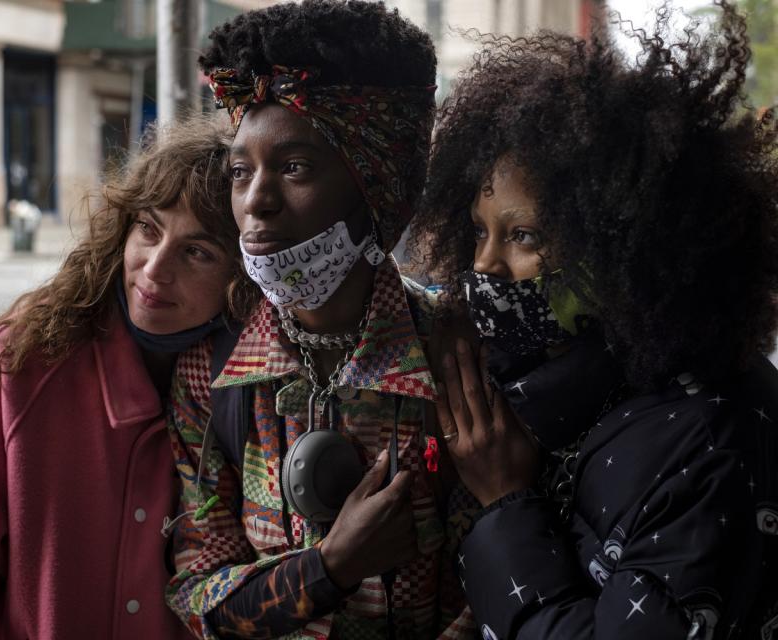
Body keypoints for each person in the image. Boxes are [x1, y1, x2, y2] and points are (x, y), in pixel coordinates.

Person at [411, 1, 778, 638]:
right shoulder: (569, 386)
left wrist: (505, 504)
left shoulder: (709, 443)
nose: (484, 264)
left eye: (523, 235)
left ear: (625, 251)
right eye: (477, 231)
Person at [0, 118, 261, 639]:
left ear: (242, 276)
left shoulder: (262, 392)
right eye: (148, 228)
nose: (154, 268)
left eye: (197, 252)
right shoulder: (20, 366)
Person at [165, 2, 478, 638]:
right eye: (241, 172)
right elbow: (196, 593)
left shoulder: (457, 353)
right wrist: (329, 568)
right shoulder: (212, 373)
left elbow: (497, 587)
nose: (257, 202)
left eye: (295, 167)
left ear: (375, 187)